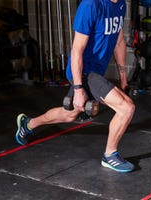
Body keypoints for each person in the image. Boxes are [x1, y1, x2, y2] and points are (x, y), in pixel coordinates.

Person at [15, 0, 135, 173]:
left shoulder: (121, 4)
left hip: (96, 72)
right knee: (127, 108)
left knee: (69, 114)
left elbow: (119, 41)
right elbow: (77, 49)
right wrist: (78, 89)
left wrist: (123, 76)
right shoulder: (91, 5)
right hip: (83, 72)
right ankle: (110, 155)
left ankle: (28, 124)